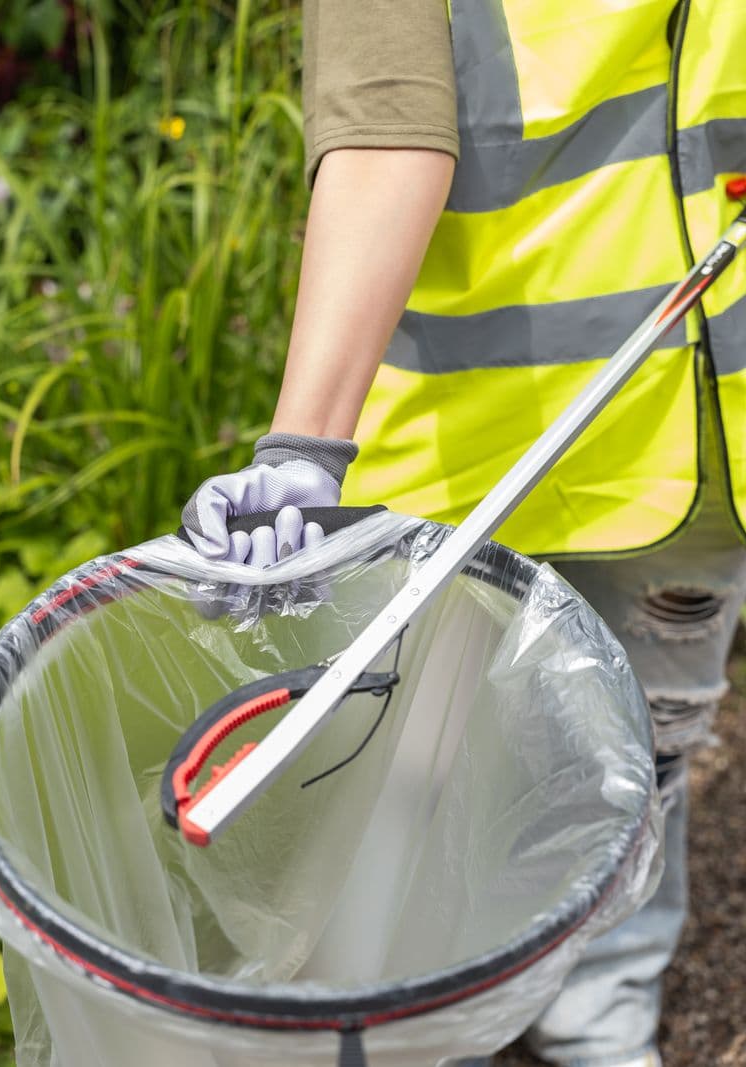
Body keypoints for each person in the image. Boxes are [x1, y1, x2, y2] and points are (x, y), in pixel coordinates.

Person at [181, 1, 746, 1064]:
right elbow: (388, 128)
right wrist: (303, 444)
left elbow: (386, 126)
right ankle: (530, 1024)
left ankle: (511, 1020)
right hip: (591, 426)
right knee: (559, 762)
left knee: (540, 765)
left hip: (589, 427)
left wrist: (304, 444)